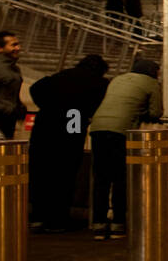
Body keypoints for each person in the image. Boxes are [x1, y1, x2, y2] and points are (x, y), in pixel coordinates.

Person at [28, 54, 109, 233]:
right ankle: (57, 219)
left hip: (45, 127)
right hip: (72, 125)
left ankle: (37, 217)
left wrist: (47, 105)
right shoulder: (98, 83)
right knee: (64, 173)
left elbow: (36, 88)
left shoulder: (61, 76)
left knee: (41, 173)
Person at [87, 59, 163, 240]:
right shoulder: (151, 83)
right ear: (153, 71)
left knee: (101, 178)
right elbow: (155, 112)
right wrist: (140, 113)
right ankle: (118, 224)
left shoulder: (118, 79)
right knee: (120, 178)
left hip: (98, 128)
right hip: (121, 131)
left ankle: (98, 224)